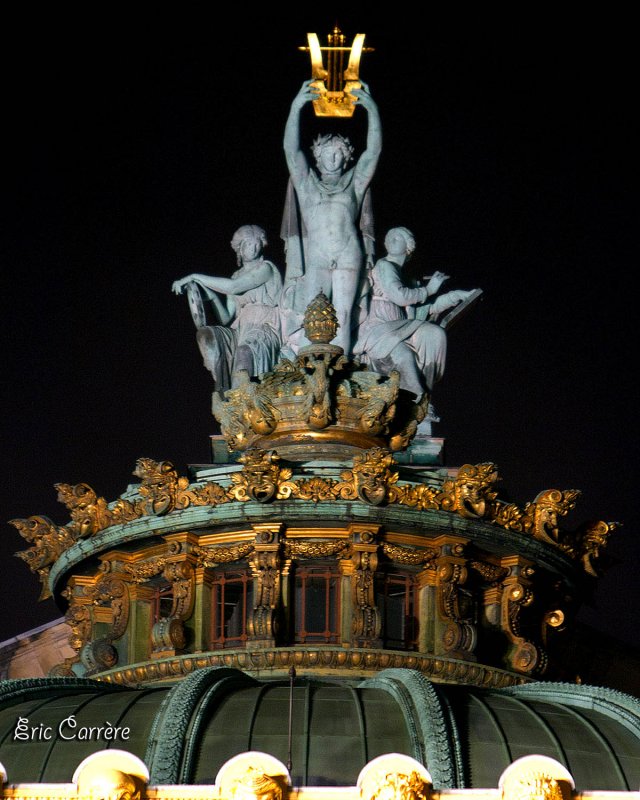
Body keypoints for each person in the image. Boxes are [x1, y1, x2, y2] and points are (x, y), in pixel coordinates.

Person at [282, 79, 382, 354]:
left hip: (349, 252)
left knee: (344, 314)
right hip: (317, 254)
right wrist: (296, 107)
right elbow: (291, 151)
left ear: (347, 156)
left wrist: (372, 109)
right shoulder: (306, 184)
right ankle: (308, 379)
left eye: (339, 153)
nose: (334, 158)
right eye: (328, 152)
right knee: (312, 313)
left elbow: (373, 152)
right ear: (317, 154)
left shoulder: (355, 182)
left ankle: (342, 370)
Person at [354, 227, 477, 396]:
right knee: (404, 356)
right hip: (380, 326)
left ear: (409, 246)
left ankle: (426, 393)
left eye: (397, 237)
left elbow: (427, 308)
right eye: (389, 237)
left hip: (402, 326)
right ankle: (415, 398)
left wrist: (455, 296)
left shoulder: (408, 279)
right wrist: (429, 290)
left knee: (435, 333)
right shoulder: (385, 265)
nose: (391, 239)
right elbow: (400, 296)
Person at [172, 225, 282, 391]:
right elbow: (225, 317)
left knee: (244, 351)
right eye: (248, 243)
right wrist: (212, 296)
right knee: (207, 336)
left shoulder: (265, 268)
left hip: (264, 328)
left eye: (258, 242)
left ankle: (242, 402)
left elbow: (233, 287)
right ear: (239, 247)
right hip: (241, 329)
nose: (254, 247)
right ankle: (225, 393)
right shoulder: (236, 275)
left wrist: (194, 276)